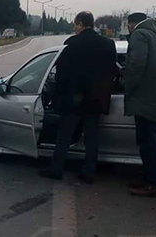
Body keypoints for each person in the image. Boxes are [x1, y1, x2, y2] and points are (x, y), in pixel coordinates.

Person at [39, 11, 117, 184]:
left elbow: (62, 73)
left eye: (75, 25)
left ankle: (56, 169)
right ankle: (89, 171)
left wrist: (58, 94)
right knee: (92, 136)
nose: (74, 28)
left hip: (75, 97)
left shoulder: (72, 44)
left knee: (64, 134)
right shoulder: (108, 44)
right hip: (96, 98)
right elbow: (112, 71)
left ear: (81, 24)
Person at [124, 12, 156, 197]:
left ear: (132, 23)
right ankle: (150, 178)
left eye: (128, 25)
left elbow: (137, 64)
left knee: (147, 142)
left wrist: (127, 86)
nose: (127, 28)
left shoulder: (140, 35)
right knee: (151, 141)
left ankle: (153, 184)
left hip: (146, 97)